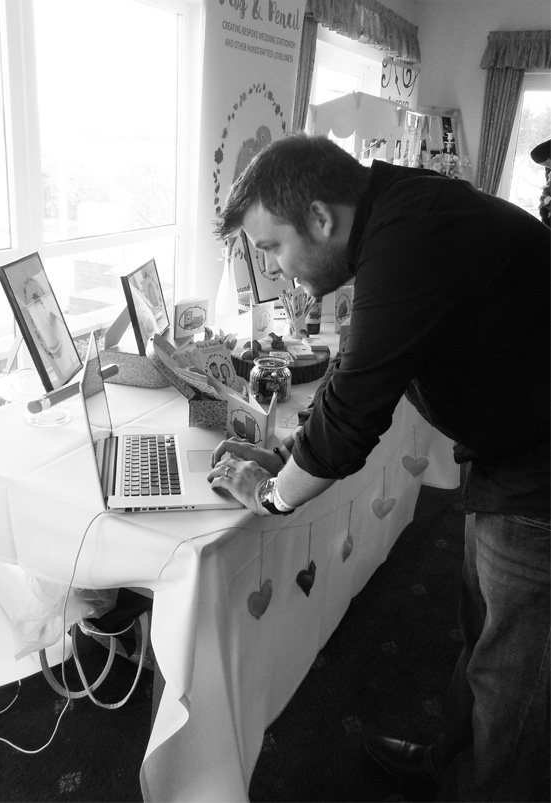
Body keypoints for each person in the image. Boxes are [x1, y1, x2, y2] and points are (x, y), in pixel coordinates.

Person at [207, 133, 550, 802]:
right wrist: (287, 453)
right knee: (481, 634)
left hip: (540, 474)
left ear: (319, 217)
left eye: (272, 247)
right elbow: (358, 370)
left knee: (516, 682)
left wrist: (271, 492)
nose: (273, 268)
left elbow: (352, 417)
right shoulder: (398, 214)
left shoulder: (408, 237)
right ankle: (454, 767)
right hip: (511, 453)